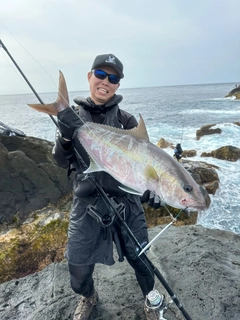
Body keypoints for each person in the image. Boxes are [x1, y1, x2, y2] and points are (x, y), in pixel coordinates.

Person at [53, 53, 163, 320]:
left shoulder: (127, 123)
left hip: (126, 202)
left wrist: (153, 188)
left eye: (113, 78)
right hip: (87, 203)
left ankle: (150, 300)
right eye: (100, 74)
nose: (106, 81)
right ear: (90, 77)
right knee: (78, 277)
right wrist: (66, 133)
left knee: (141, 260)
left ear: (118, 85)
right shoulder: (73, 117)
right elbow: (60, 160)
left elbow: (145, 165)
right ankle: (89, 296)